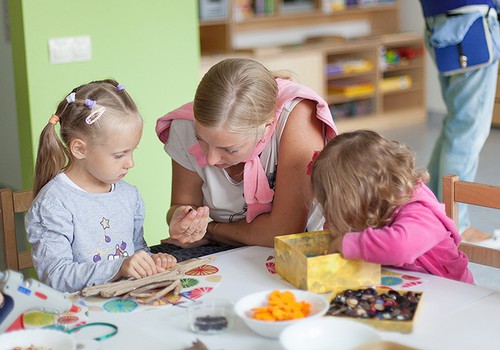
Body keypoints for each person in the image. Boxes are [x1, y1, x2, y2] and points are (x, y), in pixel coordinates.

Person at [155, 58, 337, 248]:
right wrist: (182, 219)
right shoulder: (183, 125)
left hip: (297, 251)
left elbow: (283, 233)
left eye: (230, 149)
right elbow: (182, 204)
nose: (210, 159)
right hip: (226, 250)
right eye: (200, 139)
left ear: (267, 128)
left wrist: (210, 230)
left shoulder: (297, 116)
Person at [25, 79, 177, 293]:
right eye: (119, 155)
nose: (131, 163)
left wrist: (151, 261)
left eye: (133, 151)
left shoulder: (128, 195)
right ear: (79, 149)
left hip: (125, 302)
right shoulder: (54, 204)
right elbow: (56, 276)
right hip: (80, 313)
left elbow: (136, 250)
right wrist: (118, 268)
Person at [310, 130, 473, 284]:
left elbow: (400, 246)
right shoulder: (379, 204)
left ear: (362, 197)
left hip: (456, 293)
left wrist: (346, 243)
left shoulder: (421, 211)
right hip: (413, 285)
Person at [419, 0, 500, 248]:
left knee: (457, 126)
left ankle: (428, 215)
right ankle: (457, 226)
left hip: (440, 19)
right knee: (466, 130)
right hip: (471, 20)